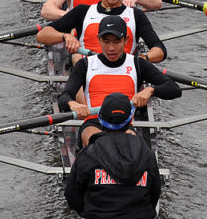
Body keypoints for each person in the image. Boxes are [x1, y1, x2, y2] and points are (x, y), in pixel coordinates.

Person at [57, 16, 180, 148]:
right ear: (98, 39)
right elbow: (64, 97)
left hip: (124, 125)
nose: (111, 48)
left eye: (116, 42)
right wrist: (72, 103)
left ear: (126, 40)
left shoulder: (137, 63)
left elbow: (174, 89)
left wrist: (150, 90)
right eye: (106, 41)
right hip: (94, 122)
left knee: (133, 148)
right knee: (99, 144)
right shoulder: (85, 64)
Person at [37, 0, 166, 63]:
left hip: (123, 73)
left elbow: (160, 50)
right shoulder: (82, 11)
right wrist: (65, 36)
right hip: (89, 74)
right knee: (77, 60)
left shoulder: (136, 16)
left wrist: (142, 60)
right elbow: (42, 35)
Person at [64, 92, 162, 219]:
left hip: (96, 216)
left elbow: (72, 195)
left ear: (101, 120)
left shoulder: (88, 153)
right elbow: (155, 193)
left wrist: (85, 212)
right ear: (129, 121)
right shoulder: (147, 153)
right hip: (140, 216)